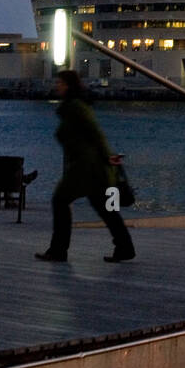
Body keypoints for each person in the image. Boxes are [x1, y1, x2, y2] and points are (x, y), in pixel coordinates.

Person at [36, 70, 135, 263]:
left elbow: (96, 132)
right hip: (92, 166)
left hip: (86, 166)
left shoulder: (75, 107)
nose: (57, 86)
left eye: (60, 83)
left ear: (68, 85)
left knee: (60, 200)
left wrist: (108, 156)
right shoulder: (74, 106)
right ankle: (124, 247)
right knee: (105, 208)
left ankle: (59, 250)